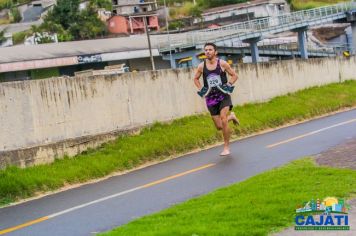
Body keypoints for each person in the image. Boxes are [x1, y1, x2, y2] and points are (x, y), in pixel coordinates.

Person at [193, 42, 239, 156]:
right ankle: (232, 116)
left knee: (223, 119)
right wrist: (201, 90)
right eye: (206, 50)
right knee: (219, 126)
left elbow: (234, 75)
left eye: (210, 49)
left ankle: (226, 147)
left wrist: (228, 85)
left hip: (223, 96)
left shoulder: (222, 64)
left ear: (215, 52)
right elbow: (195, 79)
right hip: (211, 98)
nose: (207, 51)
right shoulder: (201, 66)